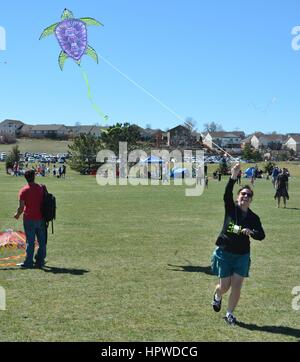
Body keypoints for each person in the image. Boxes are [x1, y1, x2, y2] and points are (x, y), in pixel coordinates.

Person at [211, 163, 265, 325]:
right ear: (237, 197)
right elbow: (227, 193)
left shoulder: (254, 218)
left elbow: (261, 235)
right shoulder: (230, 208)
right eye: (243, 194)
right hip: (225, 253)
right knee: (224, 286)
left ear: (251, 200)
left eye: (248, 195)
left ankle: (229, 314)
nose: (245, 196)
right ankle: (218, 295)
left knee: (237, 286)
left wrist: (252, 232)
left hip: (242, 255)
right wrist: (233, 176)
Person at [14, 169, 47, 268]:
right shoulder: (41, 188)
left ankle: (28, 263)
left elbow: (21, 207)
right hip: (41, 218)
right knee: (42, 241)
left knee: (30, 241)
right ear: (34, 177)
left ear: (25, 178)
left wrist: (17, 214)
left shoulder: (24, 190)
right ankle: (40, 261)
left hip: (29, 219)